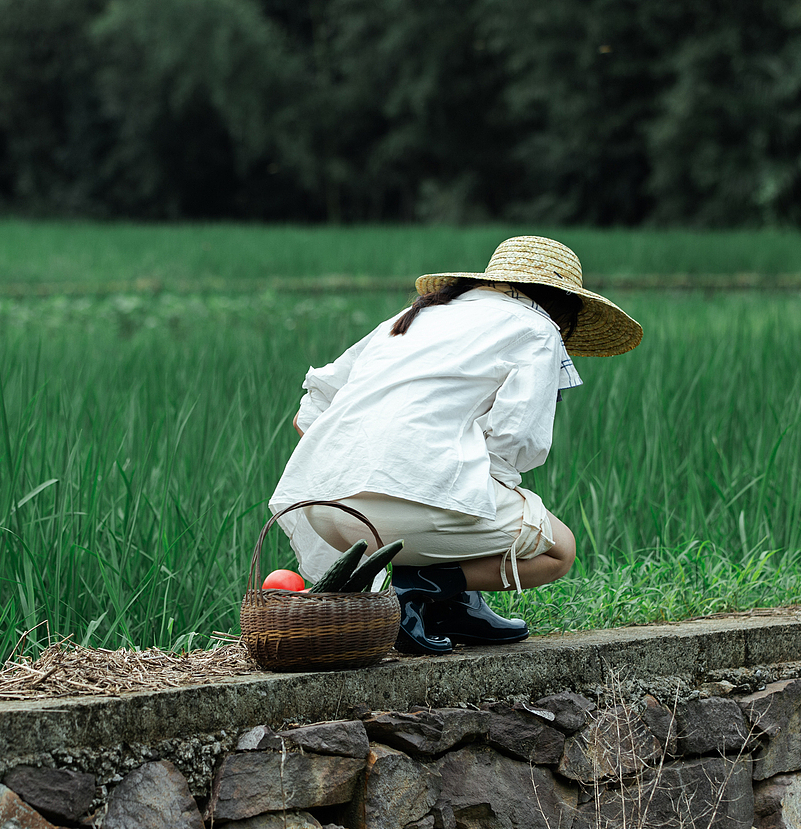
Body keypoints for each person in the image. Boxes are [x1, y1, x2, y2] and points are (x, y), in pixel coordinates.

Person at [268, 236, 643, 655]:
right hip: (397, 512)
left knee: (459, 496)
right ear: (565, 306)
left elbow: (312, 408)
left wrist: (349, 464)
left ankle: (454, 609)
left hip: (320, 505)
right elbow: (518, 438)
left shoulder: (416, 315)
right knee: (559, 550)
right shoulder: (538, 328)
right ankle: (425, 587)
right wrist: (470, 482)